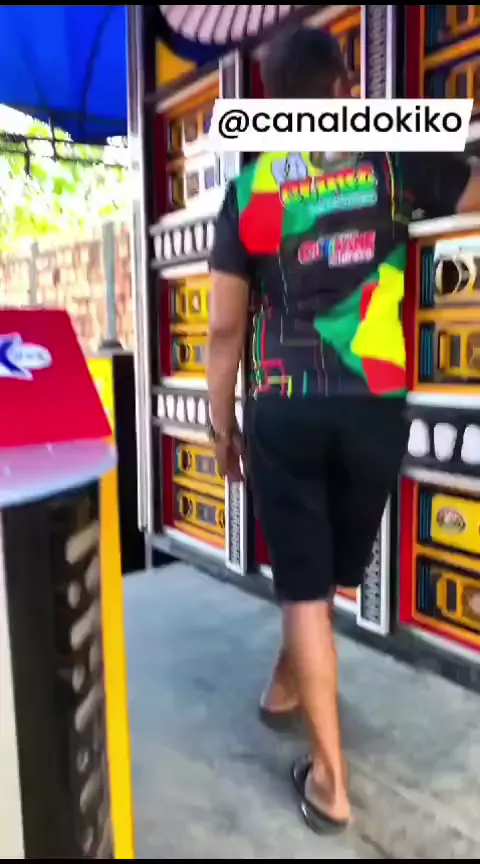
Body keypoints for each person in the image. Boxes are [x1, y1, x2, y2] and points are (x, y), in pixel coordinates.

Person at [206, 26, 479, 833]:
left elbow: (222, 331)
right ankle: (287, 687)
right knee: (318, 575)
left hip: (285, 403)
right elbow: (471, 196)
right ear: (343, 89)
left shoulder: (252, 189)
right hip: (373, 406)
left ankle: (330, 783)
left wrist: (221, 427)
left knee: (305, 582)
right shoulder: (394, 163)